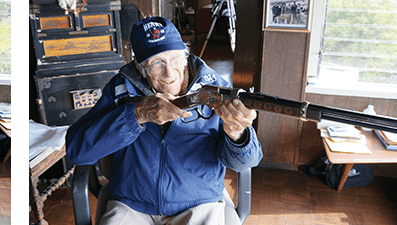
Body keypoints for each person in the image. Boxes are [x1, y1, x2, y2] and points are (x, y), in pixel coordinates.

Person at [66, 16, 263, 225]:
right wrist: (136, 115)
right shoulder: (120, 89)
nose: (169, 73)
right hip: (132, 202)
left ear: (186, 55)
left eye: (176, 59)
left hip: (199, 202)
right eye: (157, 63)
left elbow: (245, 163)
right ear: (139, 65)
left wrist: (237, 134)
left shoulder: (214, 87)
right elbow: (77, 150)